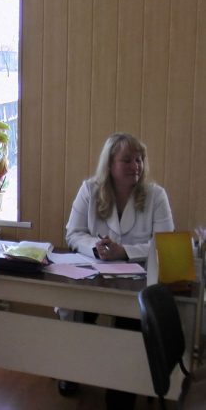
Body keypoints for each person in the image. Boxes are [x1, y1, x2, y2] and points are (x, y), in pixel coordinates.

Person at [59, 132, 174, 408]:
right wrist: (96, 247)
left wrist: (125, 251)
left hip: (138, 280)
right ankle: (71, 371)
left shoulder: (156, 195)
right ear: (110, 164)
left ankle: (121, 394)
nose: (136, 166)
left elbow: (165, 242)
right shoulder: (89, 190)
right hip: (93, 274)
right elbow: (73, 233)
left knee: (129, 326)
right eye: (127, 160)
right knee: (80, 312)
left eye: (139, 159)